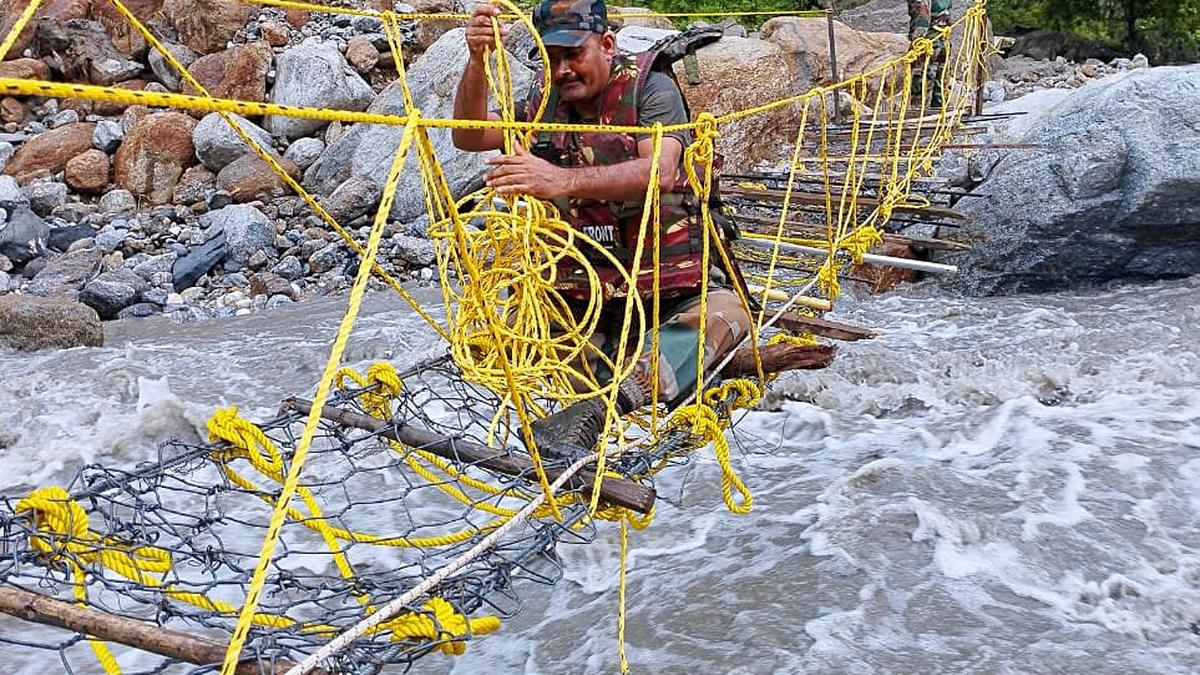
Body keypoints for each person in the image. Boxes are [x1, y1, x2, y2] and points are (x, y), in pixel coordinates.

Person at [451, 0, 753, 456]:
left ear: (607, 44)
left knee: (729, 316)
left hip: (666, 294)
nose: (563, 69)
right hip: (582, 300)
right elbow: (469, 134)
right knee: (499, 339)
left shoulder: (652, 90)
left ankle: (609, 404)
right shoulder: (543, 100)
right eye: (551, 58)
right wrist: (477, 60)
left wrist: (560, 179)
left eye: (574, 54)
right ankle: (580, 414)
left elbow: (662, 171)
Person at [907, 0, 952, 106]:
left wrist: (917, 40)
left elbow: (922, 16)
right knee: (941, 72)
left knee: (920, 73)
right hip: (942, 36)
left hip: (929, 38)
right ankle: (940, 107)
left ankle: (917, 109)